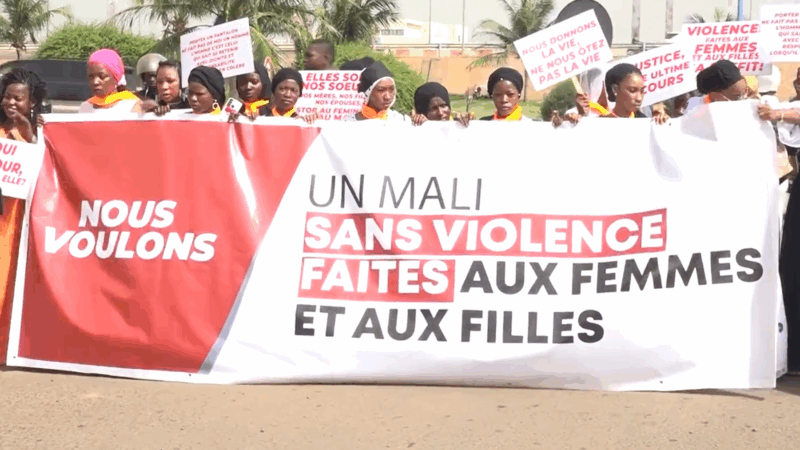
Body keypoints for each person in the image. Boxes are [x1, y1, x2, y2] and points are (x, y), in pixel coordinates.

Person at [0, 67, 46, 359]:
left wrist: (30, 137)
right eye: (7, 97)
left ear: (32, 103)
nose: (11, 103)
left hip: (17, 219)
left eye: (19, 99)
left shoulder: (39, 133)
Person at [79, 48, 141, 114]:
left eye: (102, 76)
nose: (95, 82)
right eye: (91, 77)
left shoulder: (132, 106)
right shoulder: (86, 107)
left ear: (116, 78)